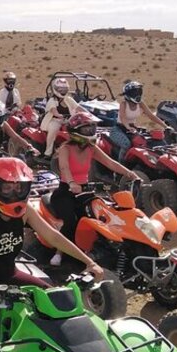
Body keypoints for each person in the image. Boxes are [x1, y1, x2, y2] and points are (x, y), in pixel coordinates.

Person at [0, 157, 104, 352]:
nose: (14, 194)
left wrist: (89, 262)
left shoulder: (25, 211)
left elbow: (53, 236)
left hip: (10, 274)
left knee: (54, 300)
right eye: (6, 188)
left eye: (19, 188)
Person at [48, 112, 142, 265]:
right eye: (86, 129)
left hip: (85, 191)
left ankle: (92, 250)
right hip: (66, 191)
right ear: (75, 131)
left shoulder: (92, 148)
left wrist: (130, 173)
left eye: (91, 128)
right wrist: (72, 183)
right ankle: (59, 253)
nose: (90, 132)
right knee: (71, 220)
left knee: (99, 216)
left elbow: (110, 163)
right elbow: (64, 168)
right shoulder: (65, 148)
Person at [111, 81, 170, 163]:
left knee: (147, 142)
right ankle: (120, 167)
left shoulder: (141, 103)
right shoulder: (123, 104)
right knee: (126, 145)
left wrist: (165, 126)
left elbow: (151, 116)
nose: (137, 94)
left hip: (132, 129)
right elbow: (123, 118)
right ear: (128, 94)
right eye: (134, 92)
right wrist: (128, 127)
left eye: (138, 91)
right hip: (119, 129)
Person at [40, 78, 89, 159]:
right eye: (60, 89)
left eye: (64, 89)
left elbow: (78, 107)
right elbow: (54, 111)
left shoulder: (68, 99)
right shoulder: (52, 100)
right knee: (53, 130)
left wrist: (89, 114)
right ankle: (48, 153)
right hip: (55, 120)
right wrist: (60, 115)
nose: (63, 91)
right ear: (55, 89)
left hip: (68, 120)